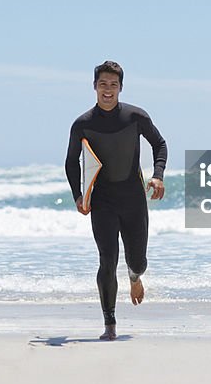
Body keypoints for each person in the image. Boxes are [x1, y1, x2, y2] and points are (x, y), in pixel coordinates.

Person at [64, 61, 167, 340]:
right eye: (102, 84)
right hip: (104, 201)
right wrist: (78, 196)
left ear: (120, 87)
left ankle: (135, 278)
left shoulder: (135, 117)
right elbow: (72, 162)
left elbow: (159, 144)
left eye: (113, 85)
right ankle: (110, 324)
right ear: (95, 86)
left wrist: (157, 175)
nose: (107, 90)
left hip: (133, 198)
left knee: (138, 261)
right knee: (107, 260)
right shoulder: (83, 124)